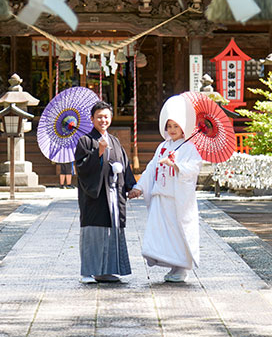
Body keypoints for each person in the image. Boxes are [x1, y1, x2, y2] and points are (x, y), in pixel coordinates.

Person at [128, 95, 202, 282]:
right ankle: (171, 264)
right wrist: (139, 187)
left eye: (176, 126)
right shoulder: (162, 146)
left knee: (178, 232)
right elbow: (152, 168)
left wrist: (176, 166)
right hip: (161, 197)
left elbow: (194, 168)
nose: (172, 130)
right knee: (160, 233)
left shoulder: (189, 147)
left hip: (177, 199)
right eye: (169, 126)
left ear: (183, 126)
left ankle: (181, 267)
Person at [74, 100, 136, 284]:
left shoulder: (114, 141)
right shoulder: (85, 141)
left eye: (106, 116)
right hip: (96, 194)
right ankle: (88, 271)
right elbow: (82, 168)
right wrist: (98, 153)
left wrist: (131, 186)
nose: (103, 120)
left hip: (114, 194)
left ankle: (106, 271)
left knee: (112, 231)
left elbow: (125, 165)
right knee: (93, 232)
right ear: (92, 119)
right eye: (99, 117)